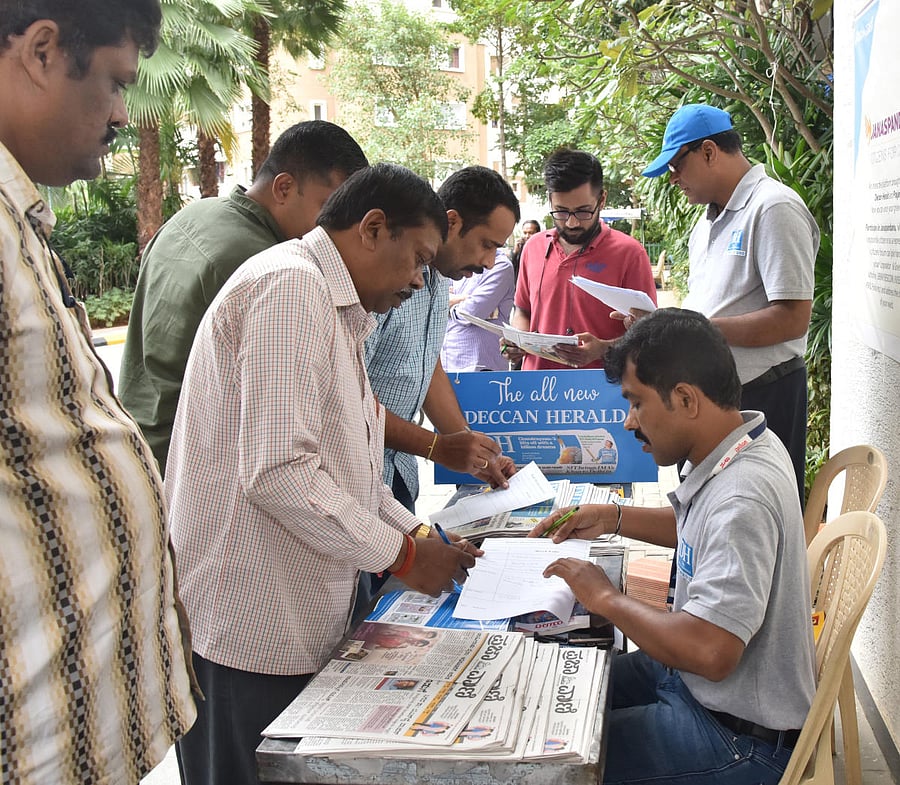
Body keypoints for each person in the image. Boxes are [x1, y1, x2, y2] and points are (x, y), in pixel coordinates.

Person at [166, 163, 479, 785]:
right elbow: (280, 472)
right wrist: (406, 556)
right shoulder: (289, 289)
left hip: (296, 610)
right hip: (249, 623)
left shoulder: (334, 308)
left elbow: (354, 469)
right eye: (418, 259)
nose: (420, 282)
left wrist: (417, 536)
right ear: (371, 228)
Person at [0, 2, 197, 783]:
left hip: (81, 724)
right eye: (117, 82)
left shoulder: (20, 214)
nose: (122, 112)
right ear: (44, 50)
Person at [531, 309, 815, 785]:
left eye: (637, 403)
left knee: (551, 763)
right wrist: (612, 517)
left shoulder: (741, 497)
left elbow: (709, 651)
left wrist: (605, 598)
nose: (628, 422)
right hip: (698, 688)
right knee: (559, 685)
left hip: (740, 736)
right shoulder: (746, 444)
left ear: (685, 398)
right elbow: (705, 532)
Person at [119, 120, 368, 476]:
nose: (335, 231)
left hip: (140, 442)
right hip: (185, 463)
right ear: (284, 187)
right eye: (329, 210)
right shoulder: (271, 269)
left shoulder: (195, 213)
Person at [641, 103, 819, 501]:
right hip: (714, 398)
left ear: (708, 151)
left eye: (675, 166)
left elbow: (792, 318)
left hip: (765, 395)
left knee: (754, 510)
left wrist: (700, 330)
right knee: (706, 512)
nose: (673, 179)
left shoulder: (773, 208)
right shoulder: (705, 224)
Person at [365, 165, 520, 513]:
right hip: (357, 475)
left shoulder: (440, 281)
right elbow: (352, 399)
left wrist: (471, 451)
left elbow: (427, 369)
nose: (489, 261)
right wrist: (437, 447)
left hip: (397, 473)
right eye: (486, 244)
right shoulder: (390, 280)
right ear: (451, 222)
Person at [504, 148, 657, 370]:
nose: (572, 223)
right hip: (536, 392)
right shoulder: (533, 248)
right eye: (561, 212)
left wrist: (604, 348)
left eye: (584, 211)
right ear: (550, 200)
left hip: (602, 393)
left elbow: (649, 333)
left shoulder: (630, 254)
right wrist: (516, 340)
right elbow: (523, 310)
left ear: (601, 199)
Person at [441, 247, 516, 371]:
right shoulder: (454, 261)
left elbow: (471, 313)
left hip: (481, 366)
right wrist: (464, 299)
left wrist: (448, 303)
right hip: (446, 363)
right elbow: (436, 300)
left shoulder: (500, 265)